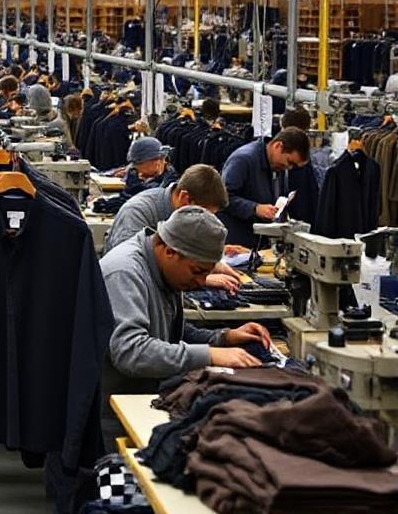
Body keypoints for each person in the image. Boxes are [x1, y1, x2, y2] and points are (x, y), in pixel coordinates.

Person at [100, 206, 272, 450]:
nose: (202, 282)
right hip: (109, 420)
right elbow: (131, 351)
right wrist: (210, 355)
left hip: (138, 403)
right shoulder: (125, 273)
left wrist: (224, 337)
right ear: (171, 251)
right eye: (198, 271)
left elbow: (169, 333)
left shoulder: (161, 271)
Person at [106, 163, 245, 290]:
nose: (206, 221)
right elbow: (132, 268)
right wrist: (204, 278)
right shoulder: (136, 213)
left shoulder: (180, 219)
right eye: (202, 212)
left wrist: (210, 263)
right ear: (185, 198)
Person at [220, 127, 311, 247]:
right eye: (290, 162)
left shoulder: (279, 166)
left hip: (260, 242)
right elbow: (222, 199)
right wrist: (255, 208)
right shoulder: (243, 160)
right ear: (278, 146)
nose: (289, 167)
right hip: (237, 244)